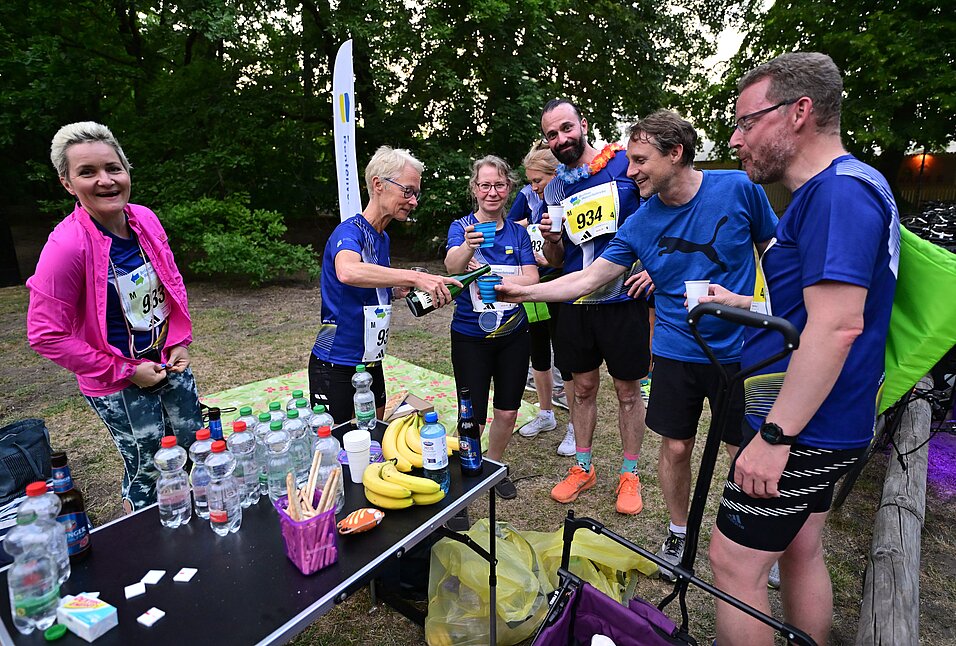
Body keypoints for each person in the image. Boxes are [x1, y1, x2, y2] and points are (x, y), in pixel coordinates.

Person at [703, 52, 899, 646]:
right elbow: (817, 311)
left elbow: (838, 326)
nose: (736, 139)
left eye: (746, 122)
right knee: (801, 546)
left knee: (734, 565)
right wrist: (746, 304)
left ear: (799, 113)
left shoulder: (835, 195)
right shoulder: (853, 185)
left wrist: (774, 438)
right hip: (831, 417)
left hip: (806, 427)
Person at [600, 110, 778, 579]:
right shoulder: (642, 220)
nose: (630, 171)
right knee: (676, 448)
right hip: (678, 351)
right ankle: (679, 531)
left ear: (675, 153)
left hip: (742, 351)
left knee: (744, 451)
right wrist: (526, 290)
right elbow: (591, 276)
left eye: (640, 160)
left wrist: (763, 306)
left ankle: (760, 537)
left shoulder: (739, 188)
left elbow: (776, 251)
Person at [27, 122, 203, 513]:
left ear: (127, 171)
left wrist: (177, 339)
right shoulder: (65, 246)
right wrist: (125, 370)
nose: (105, 181)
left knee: (195, 447)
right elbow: (45, 334)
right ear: (68, 184)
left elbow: (170, 281)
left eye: (113, 168)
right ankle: (146, 538)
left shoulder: (144, 219)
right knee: (150, 469)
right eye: (87, 172)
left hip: (168, 363)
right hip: (117, 382)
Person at [536, 98, 650, 515]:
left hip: (624, 299)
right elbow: (557, 257)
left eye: (567, 128)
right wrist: (550, 238)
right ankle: (583, 467)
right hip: (576, 301)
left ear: (583, 124)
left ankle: (630, 473)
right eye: (552, 134)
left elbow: (663, 214)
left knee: (626, 391)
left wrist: (654, 268)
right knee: (581, 389)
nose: (561, 139)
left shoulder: (625, 165)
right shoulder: (553, 188)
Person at [309, 146, 460, 425]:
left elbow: (365, 283)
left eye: (416, 193)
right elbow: (347, 271)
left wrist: (392, 291)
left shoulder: (382, 238)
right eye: (408, 191)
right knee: (340, 450)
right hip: (337, 362)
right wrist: (413, 277)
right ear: (378, 185)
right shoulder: (349, 231)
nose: (414, 201)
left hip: (370, 359)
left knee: (375, 437)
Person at [445, 155, 539, 499]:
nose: (492, 192)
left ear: (509, 188)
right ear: (474, 189)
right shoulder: (462, 227)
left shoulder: (518, 232)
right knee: (471, 415)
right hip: (470, 336)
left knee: (508, 409)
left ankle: (493, 466)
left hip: (513, 334)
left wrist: (493, 273)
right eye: (485, 185)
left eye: (499, 185)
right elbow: (451, 266)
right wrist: (468, 247)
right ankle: (470, 470)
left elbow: (532, 278)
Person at [511, 142, 577, 443]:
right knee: (537, 351)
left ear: (555, 174)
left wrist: (552, 255)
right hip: (536, 288)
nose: (533, 187)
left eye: (537, 180)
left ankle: (577, 427)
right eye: (531, 181)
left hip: (564, 289)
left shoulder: (575, 200)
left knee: (566, 356)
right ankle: (546, 413)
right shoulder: (534, 202)